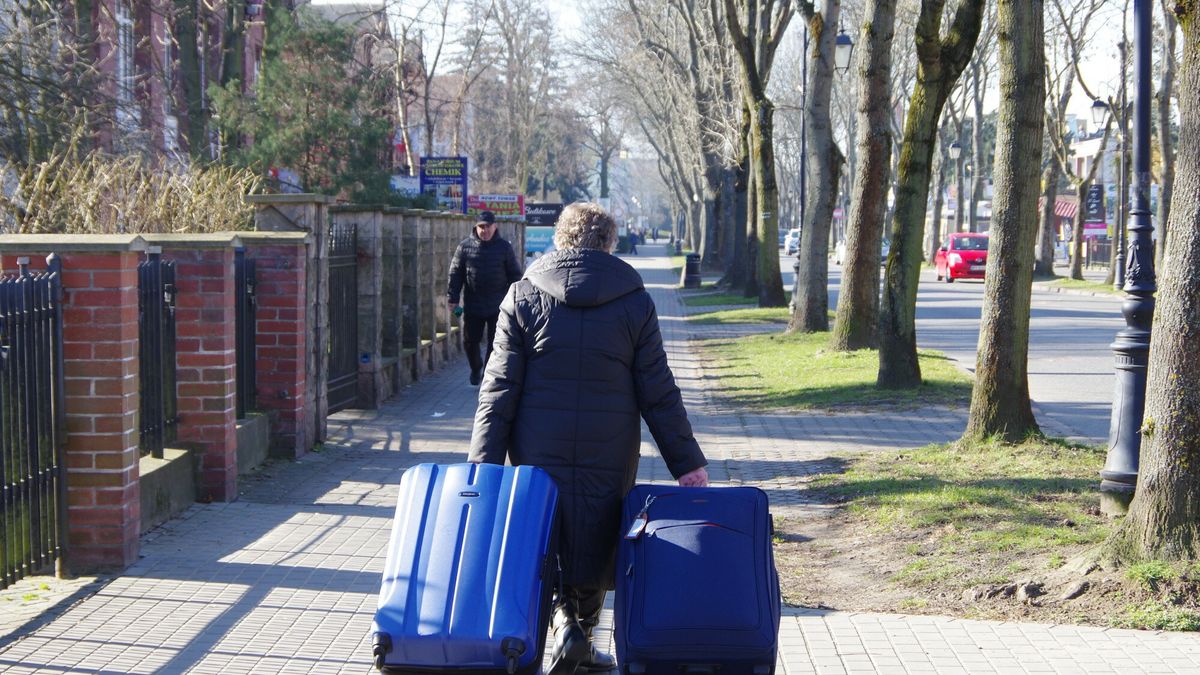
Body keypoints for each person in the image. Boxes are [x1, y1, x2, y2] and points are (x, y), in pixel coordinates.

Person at [468, 202, 708, 674]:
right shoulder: (634, 300)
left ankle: (561, 623)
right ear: (608, 243)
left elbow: (497, 388)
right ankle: (584, 632)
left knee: (546, 529)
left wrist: (484, 464)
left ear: (560, 239)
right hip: (610, 442)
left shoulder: (522, 296)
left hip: (537, 440)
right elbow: (658, 391)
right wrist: (686, 462)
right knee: (599, 530)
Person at [447, 210, 523, 385]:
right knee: (469, 341)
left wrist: (516, 299)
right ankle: (475, 367)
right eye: (481, 227)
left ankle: (487, 373)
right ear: (476, 227)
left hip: (498, 305)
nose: (485, 230)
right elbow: (455, 273)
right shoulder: (465, 247)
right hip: (473, 304)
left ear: (495, 227)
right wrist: (453, 297)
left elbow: (514, 275)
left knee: (494, 343)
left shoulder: (504, 247)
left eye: (488, 227)